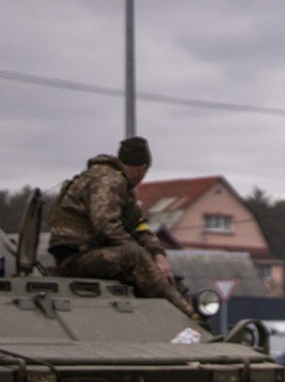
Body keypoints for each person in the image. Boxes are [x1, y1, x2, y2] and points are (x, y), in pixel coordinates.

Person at [47, 136, 197, 319]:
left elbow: (138, 226)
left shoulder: (121, 186)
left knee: (161, 273)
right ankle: (188, 316)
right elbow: (106, 225)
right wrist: (140, 253)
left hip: (93, 254)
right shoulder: (107, 180)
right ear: (142, 169)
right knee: (135, 256)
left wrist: (158, 254)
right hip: (75, 257)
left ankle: (179, 317)